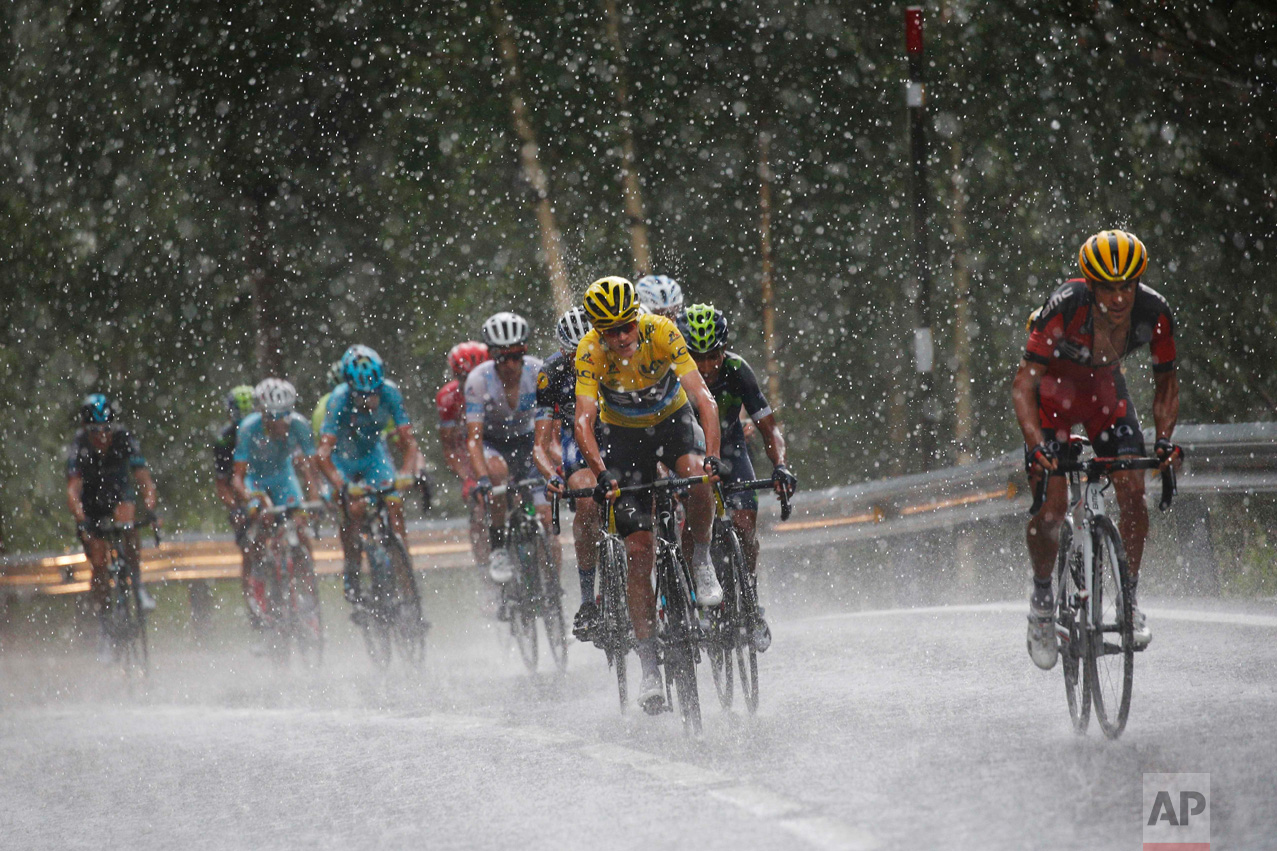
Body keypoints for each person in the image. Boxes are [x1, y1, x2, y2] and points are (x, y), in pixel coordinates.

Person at [1012, 229, 1181, 670]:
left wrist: (1163, 440)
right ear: (1091, 283)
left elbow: (1166, 384)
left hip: (1105, 395)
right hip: (1052, 400)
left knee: (1131, 488)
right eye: (1108, 286)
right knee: (1051, 509)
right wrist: (1035, 447)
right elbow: (1023, 384)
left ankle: (1128, 596)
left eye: (1127, 285)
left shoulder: (1155, 311)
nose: (1120, 297)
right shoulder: (1065, 304)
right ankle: (1044, 599)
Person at [574, 276, 723, 711]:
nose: (621, 337)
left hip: (672, 423)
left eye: (626, 326)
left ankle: (700, 558)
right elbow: (584, 421)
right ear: (597, 331)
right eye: (610, 331)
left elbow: (705, 400)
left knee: (697, 476)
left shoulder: (660, 330)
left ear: (637, 316)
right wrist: (601, 473)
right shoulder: (590, 351)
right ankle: (650, 669)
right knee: (638, 554)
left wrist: (712, 456)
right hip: (622, 439)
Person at [677, 303, 797, 653]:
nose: (705, 366)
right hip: (688, 455)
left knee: (744, 527)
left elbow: (769, 429)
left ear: (724, 349)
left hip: (731, 451)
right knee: (690, 527)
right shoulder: (673, 376)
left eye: (712, 355)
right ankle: (695, 599)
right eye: (696, 357)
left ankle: (751, 604)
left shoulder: (737, 370)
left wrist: (781, 465)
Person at [317, 345, 424, 609]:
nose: (370, 401)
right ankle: (352, 570)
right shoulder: (338, 400)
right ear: (350, 389)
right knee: (353, 510)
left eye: (374, 393)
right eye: (362, 396)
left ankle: (406, 582)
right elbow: (322, 455)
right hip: (342, 459)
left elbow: (408, 442)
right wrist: (341, 485)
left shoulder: (390, 392)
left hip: (373, 455)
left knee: (394, 503)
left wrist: (407, 473)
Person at [464, 312, 560, 599]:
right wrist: (481, 479)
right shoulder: (478, 381)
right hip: (494, 443)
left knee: (545, 519)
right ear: (492, 357)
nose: (511, 364)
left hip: (530, 441)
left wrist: (559, 463)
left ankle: (553, 588)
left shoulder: (539, 371)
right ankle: (498, 549)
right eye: (503, 357)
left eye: (517, 355)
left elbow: (551, 431)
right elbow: (474, 440)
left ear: (525, 352)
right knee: (496, 477)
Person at [66, 393, 158, 660]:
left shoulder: (124, 438)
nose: (102, 437)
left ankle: (137, 585)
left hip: (118, 494)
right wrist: (81, 519)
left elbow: (144, 480)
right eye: (96, 431)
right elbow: (73, 491)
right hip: (91, 503)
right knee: (98, 560)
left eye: (106, 430)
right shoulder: (79, 446)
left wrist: (150, 509)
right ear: (86, 429)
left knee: (127, 521)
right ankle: (105, 624)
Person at [231, 379, 321, 633]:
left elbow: (311, 469)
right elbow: (237, 477)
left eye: (286, 415)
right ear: (262, 413)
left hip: (283, 477)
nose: (282, 422)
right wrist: (250, 498)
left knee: (300, 530)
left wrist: (314, 498)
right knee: (260, 531)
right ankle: (259, 588)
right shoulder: (249, 429)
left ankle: (307, 590)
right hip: (255, 480)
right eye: (274, 416)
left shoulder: (300, 426)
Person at [533, 306, 601, 635]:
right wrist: (553, 475)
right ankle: (588, 599)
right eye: (574, 353)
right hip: (578, 439)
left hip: (621, 431)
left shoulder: (614, 356)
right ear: (562, 351)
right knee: (588, 502)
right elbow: (540, 443)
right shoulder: (552, 371)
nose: (581, 358)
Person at [436, 341, 490, 568]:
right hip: (468, 453)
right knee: (479, 511)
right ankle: (486, 572)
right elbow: (449, 448)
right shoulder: (447, 398)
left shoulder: (499, 385)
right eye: (463, 379)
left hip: (497, 445)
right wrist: (467, 477)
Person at [214, 384, 257, 623]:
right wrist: (234, 507)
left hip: (265, 488)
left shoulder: (265, 429)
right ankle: (253, 608)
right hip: (239, 496)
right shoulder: (225, 438)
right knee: (249, 552)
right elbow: (222, 484)